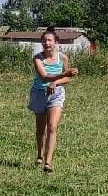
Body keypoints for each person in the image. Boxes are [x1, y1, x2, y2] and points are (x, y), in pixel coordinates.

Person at [28, 27, 76, 171]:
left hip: (57, 94)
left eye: (49, 40)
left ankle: (48, 162)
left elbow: (67, 79)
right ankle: (39, 154)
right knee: (40, 129)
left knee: (52, 127)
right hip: (39, 93)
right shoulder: (38, 58)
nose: (47, 43)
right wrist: (62, 76)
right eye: (44, 41)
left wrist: (58, 81)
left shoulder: (63, 58)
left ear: (56, 42)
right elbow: (44, 76)